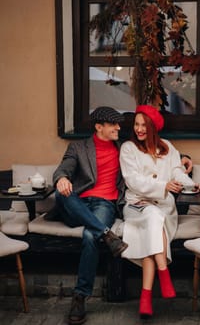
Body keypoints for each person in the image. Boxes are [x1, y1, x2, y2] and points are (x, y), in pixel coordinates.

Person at [119, 105, 197, 319]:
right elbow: (132, 180)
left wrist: (191, 184)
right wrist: (163, 186)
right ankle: (164, 274)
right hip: (137, 207)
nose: (139, 129)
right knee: (151, 218)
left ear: (153, 127)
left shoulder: (168, 148)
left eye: (144, 125)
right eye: (136, 124)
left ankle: (146, 298)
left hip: (162, 208)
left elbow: (177, 172)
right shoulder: (128, 148)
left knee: (152, 224)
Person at [52, 106, 128, 325]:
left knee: (89, 236)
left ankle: (79, 297)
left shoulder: (123, 147)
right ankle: (107, 234)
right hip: (77, 202)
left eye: (118, 124)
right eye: (113, 124)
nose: (118, 128)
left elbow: (154, 151)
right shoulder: (78, 147)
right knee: (61, 191)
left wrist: (184, 158)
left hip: (104, 203)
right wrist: (62, 179)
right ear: (99, 127)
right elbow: (62, 169)